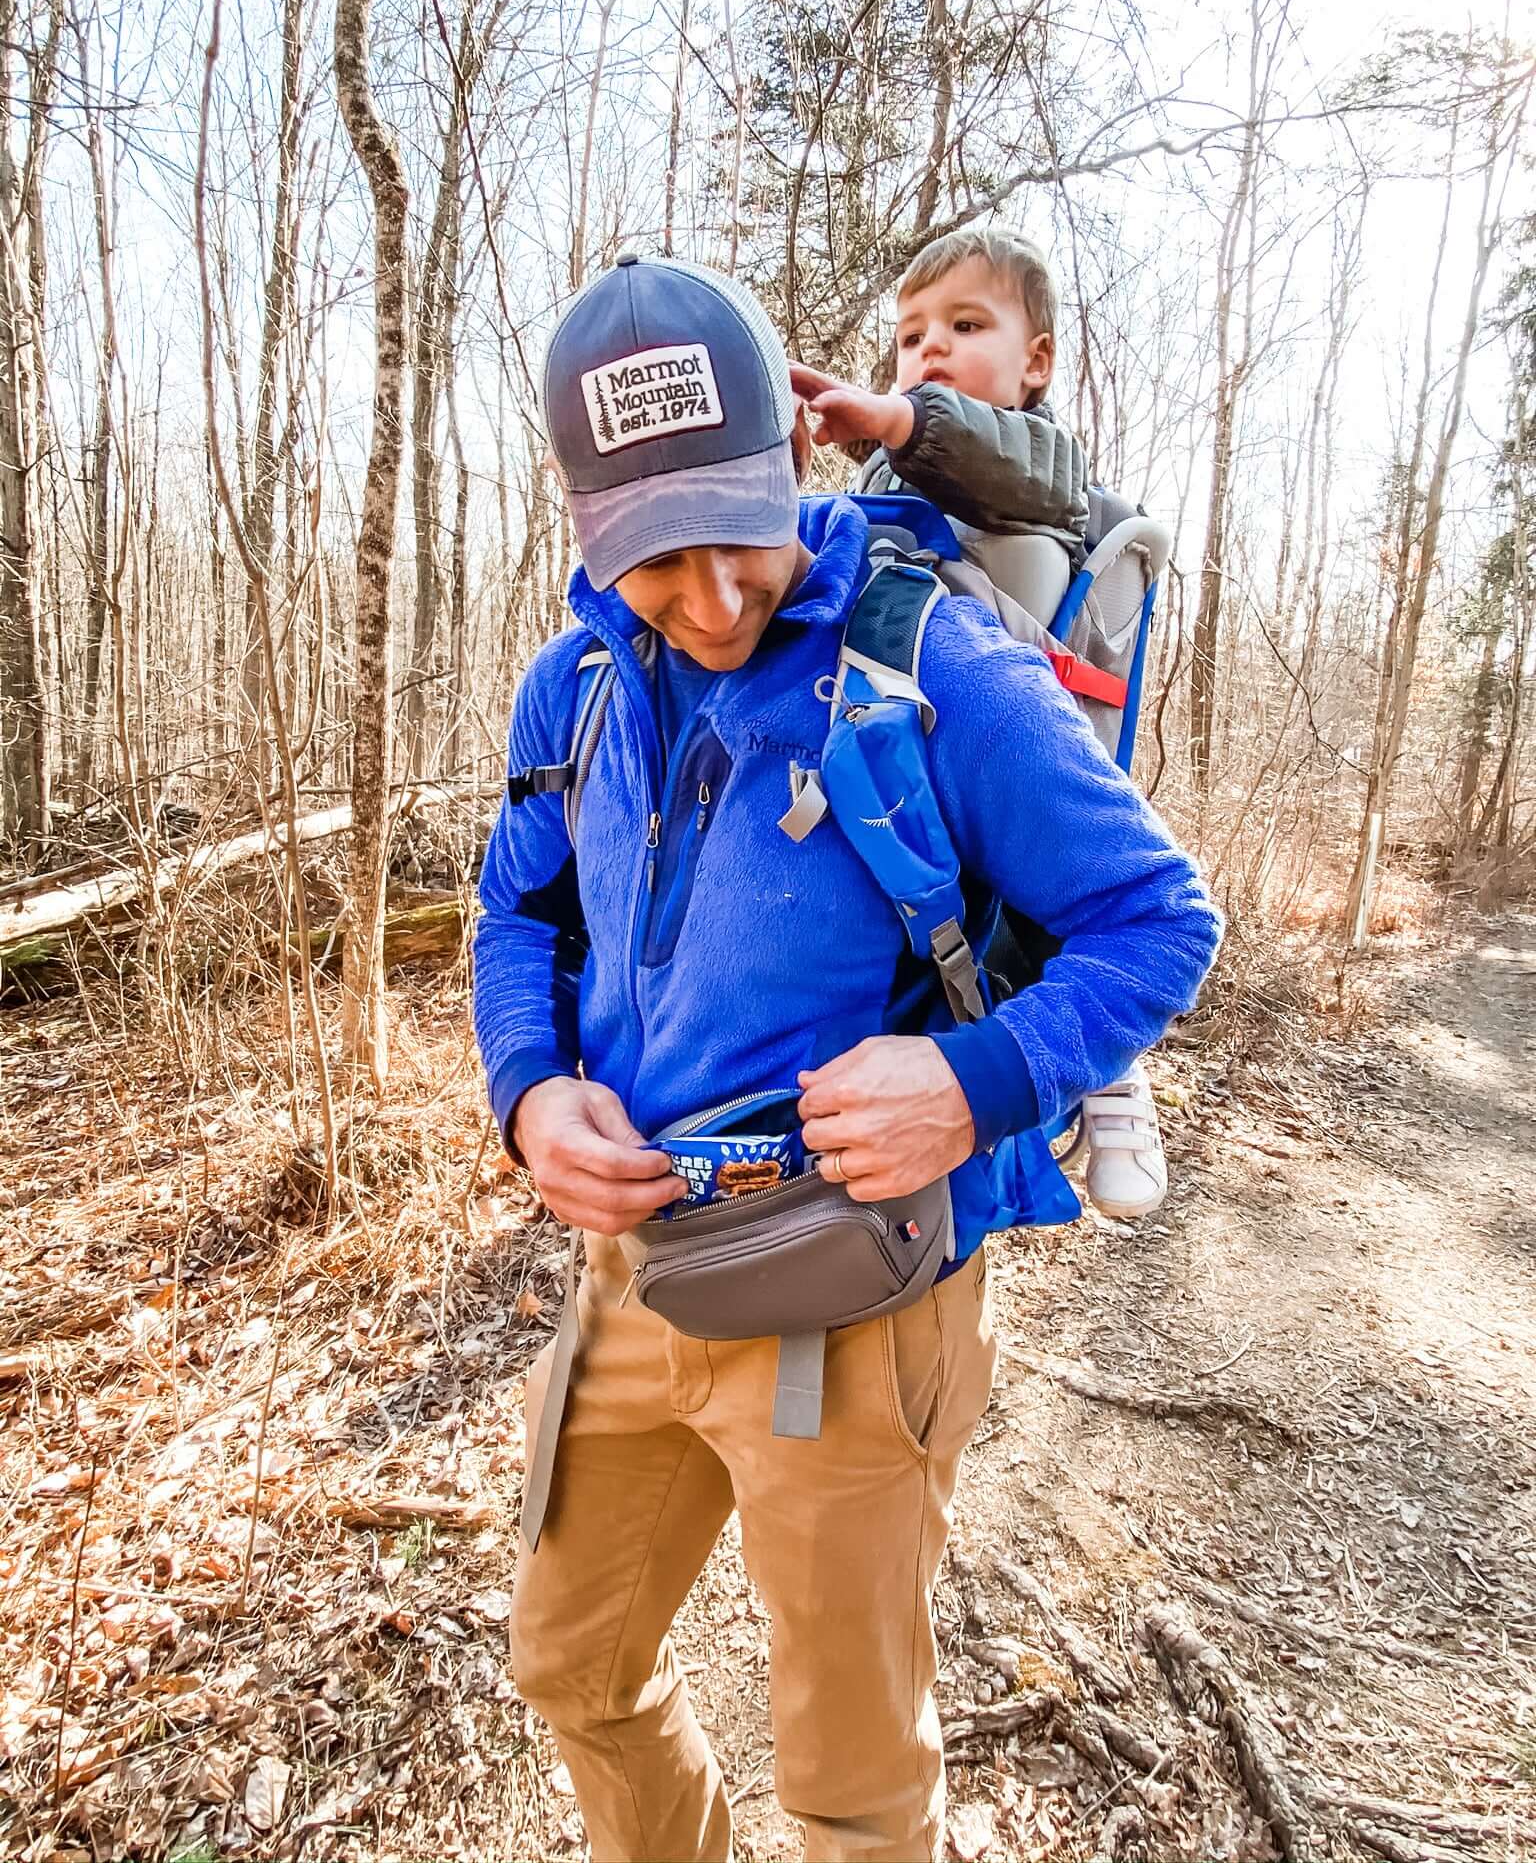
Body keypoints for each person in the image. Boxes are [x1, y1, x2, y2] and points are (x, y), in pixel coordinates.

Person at [474, 253, 1220, 1863]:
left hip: (854, 1308)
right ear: (587, 526)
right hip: (630, 1280)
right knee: (571, 1665)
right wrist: (530, 1089)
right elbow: (514, 910)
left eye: (736, 534)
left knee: (854, 1792)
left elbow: (1159, 919)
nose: (715, 598)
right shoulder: (576, 682)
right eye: (658, 558)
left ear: (793, 461)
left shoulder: (933, 657)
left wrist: (975, 1081)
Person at [790, 226, 1173, 1222]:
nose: (932, 350)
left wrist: (901, 418)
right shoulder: (882, 483)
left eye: (966, 324)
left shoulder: (1044, 467)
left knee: (1062, 913)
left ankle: (1111, 1066)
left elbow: (979, 451)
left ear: (1035, 359)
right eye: (911, 334)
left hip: (1017, 748)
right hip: (903, 746)